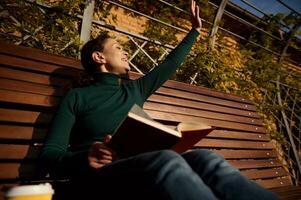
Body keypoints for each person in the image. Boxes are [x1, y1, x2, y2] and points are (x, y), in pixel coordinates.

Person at [39, 0, 279, 199]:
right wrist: (86, 157)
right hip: (102, 178)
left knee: (206, 158)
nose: (125, 52)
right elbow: (51, 153)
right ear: (98, 56)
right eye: (118, 46)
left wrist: (194, 31)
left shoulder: (134, 89)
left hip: (144, 167)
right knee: (166, 160)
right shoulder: (77, 97)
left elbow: (169, 65)